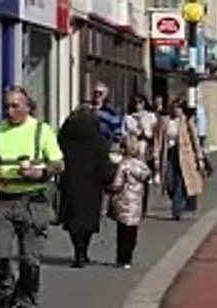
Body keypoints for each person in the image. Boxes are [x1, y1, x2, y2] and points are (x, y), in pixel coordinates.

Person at [0, 86, 64, 308]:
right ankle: (5, 295)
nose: (10, 111)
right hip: (4, 200)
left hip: (32, 201)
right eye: (7, 106)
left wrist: (39, 172)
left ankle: (27, 305)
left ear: (27, 106)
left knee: (30, 260)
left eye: (15, 106)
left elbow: (58, 164)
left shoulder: (42, 131)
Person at [58, 100, 111, 267]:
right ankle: (84, 251)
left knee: (73, 219)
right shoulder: (97, 139)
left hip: (71, 180)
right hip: (92, 183)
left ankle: (78, 251)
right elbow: (104, 162)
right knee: (88, 219)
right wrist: (107, 178)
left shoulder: (66, 136)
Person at [153, 101, 205, 222]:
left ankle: (177, 210)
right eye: (174, 108)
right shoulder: (164, 121)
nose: (176, 111)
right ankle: (180, 202)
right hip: (169, 153)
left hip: (185, 155)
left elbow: (195, 140)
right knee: (170, 181)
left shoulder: (186, 121)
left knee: (181, 181)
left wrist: (199, 157)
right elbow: (158, 139)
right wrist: (156, 157)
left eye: (179, 108)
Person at [108, 135, 150, 269]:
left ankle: (121, 258)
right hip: (136, 202)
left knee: (122, 232)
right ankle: (128, 259)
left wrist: (110, 189)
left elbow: (117, 184)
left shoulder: (123, 165)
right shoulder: (142, 166)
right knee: (132, 232)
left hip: (123, 200)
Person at [123, 94, 158, 217]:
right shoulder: (128, 118)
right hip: (133, 152)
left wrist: (143, 126)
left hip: (146, 151)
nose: (138, 105)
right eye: (135, 102)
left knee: (144, 179)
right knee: (132, 181)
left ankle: (143, 207)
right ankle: (134, 206)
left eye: (140, 102)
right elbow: (126, 133)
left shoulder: (151, 116)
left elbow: (152, 135)